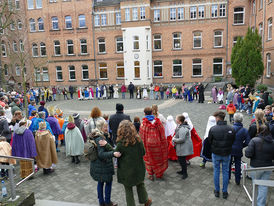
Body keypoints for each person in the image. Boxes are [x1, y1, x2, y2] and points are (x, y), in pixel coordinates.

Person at [115, 120, 152, 206]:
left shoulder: (120, 144)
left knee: (128, 190)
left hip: (126, 171)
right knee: (140, 184)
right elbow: (143, 152)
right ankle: (145, 201)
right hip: (138, 168)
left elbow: (116, 155)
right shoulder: (138, 140)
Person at [90, 120, 120, 206]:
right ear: (100, 128)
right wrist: (113, 154)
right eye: (105, 127)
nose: (107, 128)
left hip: (98, 165)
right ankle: (107, 202)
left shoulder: (97, 135)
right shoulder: (100, 138)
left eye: (107, 126)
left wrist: (107, 137)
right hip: (103, 165)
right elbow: (101, 154)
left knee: (100, 183)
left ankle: (101, 202)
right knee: (108, 183)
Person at [208, 111, 235, 199]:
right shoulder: (231, 128)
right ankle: (224, 191)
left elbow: (209, 141)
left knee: (216, 171)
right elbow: (232, 141)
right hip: (226, 153)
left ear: (218, 118)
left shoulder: (213, 129)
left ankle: (217, 190)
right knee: (225, 172)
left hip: (216, 153)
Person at [245, 125, 274, 206]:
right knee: (264, 186)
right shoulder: (272, 142)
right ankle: (261, 204)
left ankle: (255, 202)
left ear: (259, 131)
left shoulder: (254, 140)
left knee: (256, 184)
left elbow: (248, 154)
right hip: (268, 167)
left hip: (255, 167)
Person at [139, 107, 168, 180]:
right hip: (158, 145)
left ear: (144, 113)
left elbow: (141, 136)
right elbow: (162, 134)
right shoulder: (158, 123)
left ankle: (151, 174)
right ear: (152, 113)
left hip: (147, 146)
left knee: (149, 159)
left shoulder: (143, 124)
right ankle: (159, 173)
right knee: (158, 158)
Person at [228, 113, 250, 185]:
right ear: (242, 120)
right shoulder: (244, 130)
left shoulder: (230, 128)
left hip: (229, 149)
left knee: (228, 164)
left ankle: (228, 178)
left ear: (234, 119)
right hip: (238, 149)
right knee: (238, 164)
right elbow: (247, 142)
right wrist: (241, 145)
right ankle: (237, 180)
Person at [172, 115, 193, 179]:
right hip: (182, 146)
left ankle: (185, 173)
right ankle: (183, 171)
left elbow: (181, 139)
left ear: (179, 120)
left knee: (182, 160)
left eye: (176, 118)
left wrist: (174, 139)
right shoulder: (181, 126)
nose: (175, 119)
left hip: (183, 147)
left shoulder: (183, 128)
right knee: (181, 160)